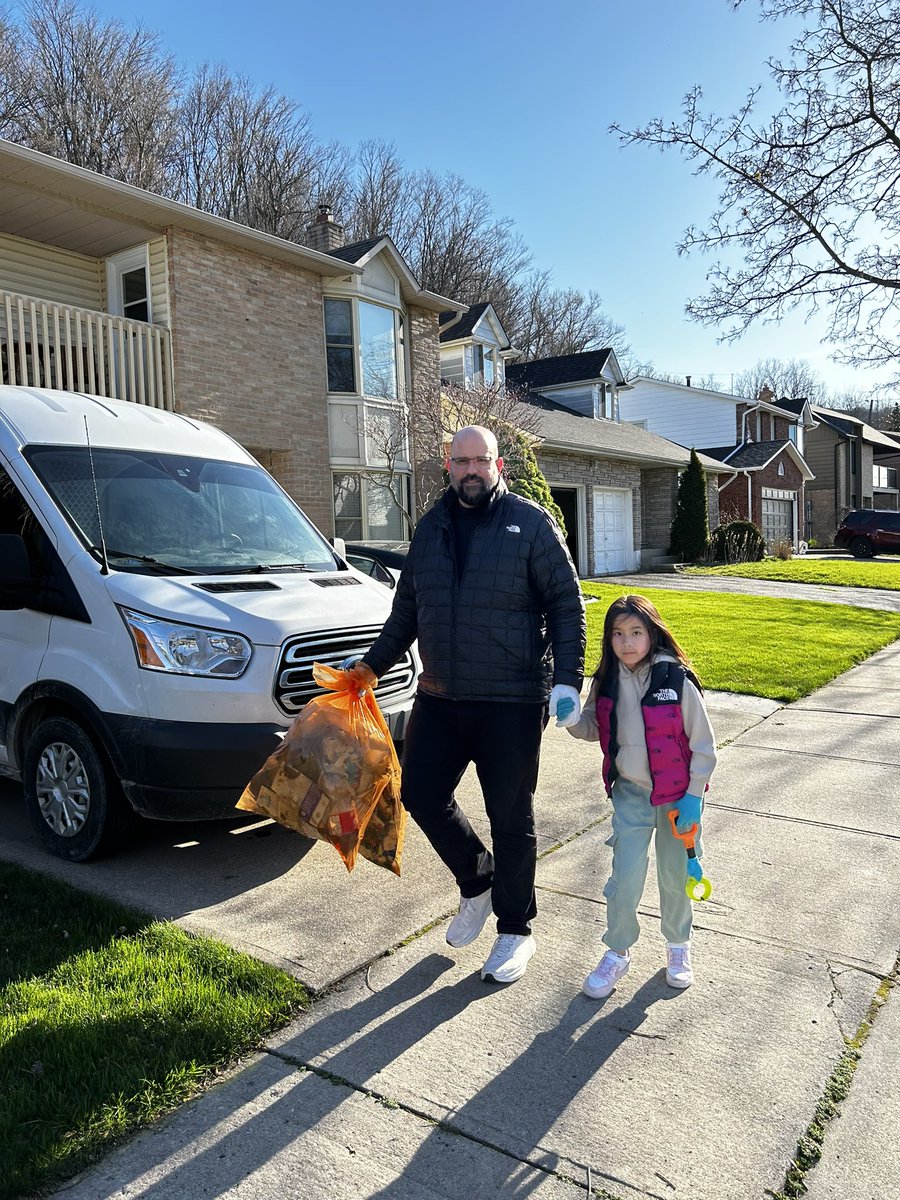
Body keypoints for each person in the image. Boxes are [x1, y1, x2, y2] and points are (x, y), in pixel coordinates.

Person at [345, 425, 585, 984]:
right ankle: (477, 882)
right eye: (461, 461)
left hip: (511, 701)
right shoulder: (429, 529)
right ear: (447, 466)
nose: (471, 469)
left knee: (510, 817)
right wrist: (370, 668)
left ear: (498, 465)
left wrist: (568, 679)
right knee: (422, 795)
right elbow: (407, 612)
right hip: (442, 697)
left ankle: (515, 929)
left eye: (481, 460)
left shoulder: (530, 524)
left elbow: (566, 604)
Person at [558, 594, 716, 998]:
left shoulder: (674, 679)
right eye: (617, 633)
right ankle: (618, 950)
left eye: (636, 632)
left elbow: (704, 745)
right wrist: (574, 717)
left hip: (678, 797)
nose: (627, 642)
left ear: (652, 634)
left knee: (675, 873)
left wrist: (694, 796)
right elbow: (595, 727)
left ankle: (678, 946)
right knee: (625, 875)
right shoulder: (606, 682)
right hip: (630, 793)